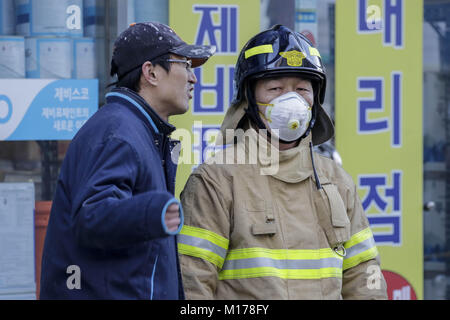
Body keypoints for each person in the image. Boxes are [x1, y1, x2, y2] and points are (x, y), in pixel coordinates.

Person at [178, 25, 387, 299]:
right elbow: (192, 283)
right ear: (249, 98)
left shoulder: (335, 180)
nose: (292, 100)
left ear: (316, 99)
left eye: (302, 88)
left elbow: (365, 274)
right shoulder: (217, 180)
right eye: (275, 88)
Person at [39, 22, 215, 299]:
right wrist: (155, 211)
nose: (193, 79)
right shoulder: (118, 133)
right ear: (151, 72)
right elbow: (92, 216)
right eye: (185, 65)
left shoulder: (136, 129)